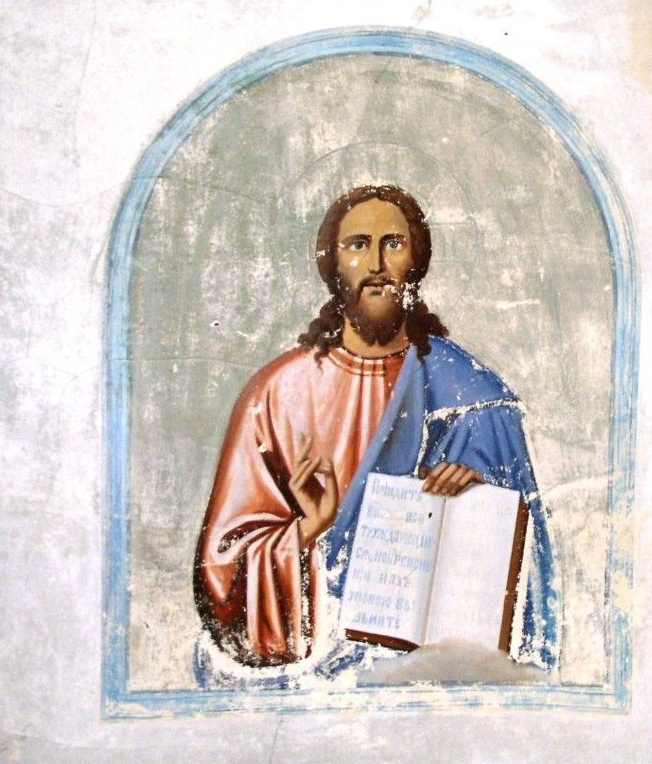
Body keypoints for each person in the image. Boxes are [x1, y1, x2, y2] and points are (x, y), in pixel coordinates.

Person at [193, 185, 558, 682]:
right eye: (358, 244)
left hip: (429, 679)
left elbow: (527, 589)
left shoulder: (476, 400)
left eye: (393, 243)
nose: (377, 264)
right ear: (331, 263)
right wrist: (307, 529)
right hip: (309, 681)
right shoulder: (277, 394)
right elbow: (221, 572)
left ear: (416, 261)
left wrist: (477, 505)